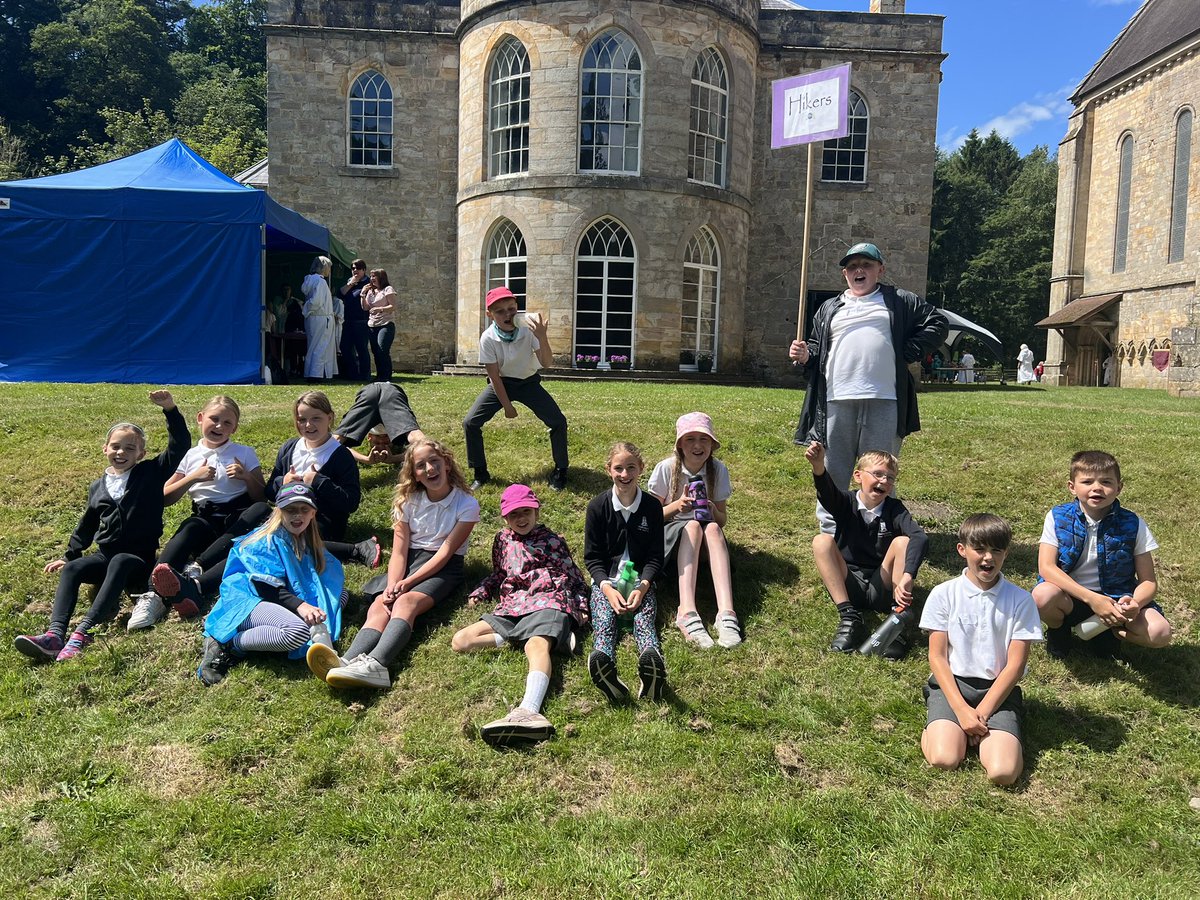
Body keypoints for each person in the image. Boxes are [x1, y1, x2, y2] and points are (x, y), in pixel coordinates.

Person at [153, 391, 371, 611]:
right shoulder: (289, 448)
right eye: (302, 419)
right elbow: (270, 491)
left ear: (330, 418)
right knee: (257, 539)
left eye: (316, 418)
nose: (308, 425)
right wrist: (283, 483)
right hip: (284, 519)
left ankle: (198, 580)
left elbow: (350, 502)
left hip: (321, 523)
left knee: (261, 543)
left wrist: (319, 481)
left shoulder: (340, 455)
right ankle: (174, 585)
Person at [15, 391, 190, 662]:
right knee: (75, 568)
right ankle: (54, 634)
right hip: (104, 557)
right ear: (105, 449)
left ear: (141, 453)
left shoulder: (150, 473)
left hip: (137, 560)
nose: (121, 452)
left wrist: (170, 409)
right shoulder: (98, 486)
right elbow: (88, 524)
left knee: (120, 560)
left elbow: (179, 445)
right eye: (116, 447)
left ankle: (83, 632)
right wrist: (69, 556)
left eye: (130, 448)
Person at [789, 241, 947, 532]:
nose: (858, 270)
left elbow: (937, 322)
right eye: (851, 266)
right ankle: (832, 530)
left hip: (885, 400)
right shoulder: (828, 309)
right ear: (844, 274)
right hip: (835, 402)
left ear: (880, 270)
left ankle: (880, 530)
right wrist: (806, 354)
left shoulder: (899, 300)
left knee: (880, 472)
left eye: (866, 265)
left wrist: (909, 350)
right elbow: (816, 348)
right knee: (833, 471)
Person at [314, 438, 479, 689]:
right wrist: (393, 584)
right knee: (381, 604)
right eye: (421, 465)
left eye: (434, 461)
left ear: (446, 463)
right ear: (414, 474)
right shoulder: (408, 501)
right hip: (409, 561)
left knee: (406, 602)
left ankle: (377, 664)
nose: (430, 469)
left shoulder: (466, 504)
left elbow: (445, 553)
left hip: (443, 567)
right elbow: (400, 551)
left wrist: (408, 583)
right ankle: (345, 661)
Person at [451, 484, 590, 747]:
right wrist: (483, 590)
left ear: (536, 511)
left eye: (526, 511)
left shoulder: (552, 540)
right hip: (514, 604)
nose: (521, 519)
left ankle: (530, 711)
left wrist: (582, 605)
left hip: (550, 597)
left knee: (535, 644)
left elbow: (574, 576)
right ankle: (525, 637)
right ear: (505, 518)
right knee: (461, 641)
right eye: (514, 515)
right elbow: (500, 574)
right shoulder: (502, 540)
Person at [920, 514, 1041, 786]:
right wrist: (962, 711)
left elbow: (1015, 666)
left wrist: (982, 713)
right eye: (980, 549)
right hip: (953, 686)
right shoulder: (943, 594)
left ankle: (987, 734)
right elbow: (937, 657)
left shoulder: (1021, 600)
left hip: (998, 691)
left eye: (996, 550)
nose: (988, 558)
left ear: (1006, 553)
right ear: (962, 550)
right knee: (944, 759)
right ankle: (946, 726)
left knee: (1004, 773)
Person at [127, 396, 265, 631]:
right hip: (205, 517)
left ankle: (196, 568)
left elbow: (261, 496)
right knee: (189, 528)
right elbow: (165, 497)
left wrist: (246, 477)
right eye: (214, 419)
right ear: (201, 419)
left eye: (227, 423)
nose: (219, 426)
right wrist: (192, 477)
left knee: (261, 510)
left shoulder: (244, 452)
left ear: (235, 428)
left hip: (237, 516)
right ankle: (152, 596)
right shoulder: (191, 455)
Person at [197, 483, 346, 685]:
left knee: (337, 595)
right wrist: (301, 606)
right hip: (250, 599)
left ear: (313, 513)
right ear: (279, 511)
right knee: (298, 633)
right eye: (290, 510)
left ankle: (276, 625)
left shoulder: (305, 539)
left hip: (277, 597)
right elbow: (265, 587)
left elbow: (321, 578)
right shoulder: (266, 540)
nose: (297, 516)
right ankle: (230, 644)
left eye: (304, 510)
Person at [1032, 451, 1171, 659]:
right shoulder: (1057, 517)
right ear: (1072, 486)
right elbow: (1047, 567)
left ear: (1119, 488)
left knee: (1160, 633)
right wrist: (1092, 599)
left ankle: (1113, 633)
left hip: (1116, 600)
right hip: (1071, 597)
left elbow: (1149, 581)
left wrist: (1135, 603)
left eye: (1106, 481)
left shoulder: (1133, 524)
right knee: (1042, 596)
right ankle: (1058, 630)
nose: (1097, 487)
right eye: (1087, 481)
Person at [804, 442, 928, 658]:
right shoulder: (846, 502)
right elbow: (827, 492)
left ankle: (895, 621)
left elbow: (919, 537)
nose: (884, 481)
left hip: (881, 585)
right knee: (821, 541)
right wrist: (818, 467)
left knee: (903, 542)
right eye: (878, 474)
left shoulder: (894, 509)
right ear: (858, 476)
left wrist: (909, 575)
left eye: (890, 478)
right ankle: (849, 617)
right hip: (848, 583)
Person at [647, 412, 740, 650]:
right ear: (679, 444)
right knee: (692, 526)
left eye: (704, 439)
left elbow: (722, 520)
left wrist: (710, 509)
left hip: (703, 541)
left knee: (711, 530)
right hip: (671, 541)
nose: (697, 445)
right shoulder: (666, 468)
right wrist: (677, 507)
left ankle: (726, 612)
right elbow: (649, 519)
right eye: (690, 439)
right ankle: (687, 610)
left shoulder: (717, 470)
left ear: (712, 443)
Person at [463, 286, 569, 492]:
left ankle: (561, 470)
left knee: (558, 421)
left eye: (511, 308)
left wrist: (542, 336)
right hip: (501, 384)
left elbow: (546, 363)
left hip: (528, 382)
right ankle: (480, 473)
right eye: (500, 311)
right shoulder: (488, 338)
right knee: (471, 422)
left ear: (517, 308)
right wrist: (507, 406)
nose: (507, 314)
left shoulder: (529, 331)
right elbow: (493, 376)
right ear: (490, 315)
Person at [583, 441, 667, 703]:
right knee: (604, 622)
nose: (625, 474)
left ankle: (651, 668)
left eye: (631, 467)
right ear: (608, 469)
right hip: (606, 583)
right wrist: (607, 590)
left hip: (641, 582)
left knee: (644, 620)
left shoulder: (652, 508)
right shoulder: (597, 507)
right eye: (618, 468)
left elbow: (655, 557)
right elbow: (593, 558)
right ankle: (604, 663)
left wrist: (643, 587)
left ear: (641, 468)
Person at [334, 381, 427, 466]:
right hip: (390, 392)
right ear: (369, 437)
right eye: (386, 443)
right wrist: (394, 459)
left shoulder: (395, 432)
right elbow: (420, 443)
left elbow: (335, 444)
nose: (382, 443)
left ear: (369, 437)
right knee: (418, 438)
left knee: (336, 439)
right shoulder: (400, 435)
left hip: (371, 393)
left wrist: (365, 459)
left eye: (378, 442)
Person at [301, 255, 340, 380]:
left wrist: (307, 311)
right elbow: (316, 301)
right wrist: (306, 308)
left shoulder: (310, 280)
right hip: (321, 318)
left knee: (312, 345)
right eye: (329, 267)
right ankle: (316, 373)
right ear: (324, 267)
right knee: (321, 346)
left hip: (313, 318)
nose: (329, 270)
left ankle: (310, 372)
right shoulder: (320, 281)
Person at [338, 259, 371, 381]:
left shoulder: (368, 283)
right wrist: (351, 283)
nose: (355, 271)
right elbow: (340, 294)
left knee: (361, 348)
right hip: (348, 320)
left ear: (363, 270)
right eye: (353, 268)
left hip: (361, 320)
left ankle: (364, 374)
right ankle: (352, 373)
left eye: (358, 268)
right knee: (345, 347)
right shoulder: (351, 282)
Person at [361, 268, 397, 382]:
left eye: (374, 276)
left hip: (386, 324)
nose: (371, 279)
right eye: (371, 276)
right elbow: (365, 307)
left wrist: (380, 309)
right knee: (375, 351)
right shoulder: (371, 291)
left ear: (381, 277)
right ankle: (380, 376)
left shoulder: (388, 289)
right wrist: (362, 295)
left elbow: (393, 306)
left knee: (382, 349)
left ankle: (386, 376)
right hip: (372, 324)